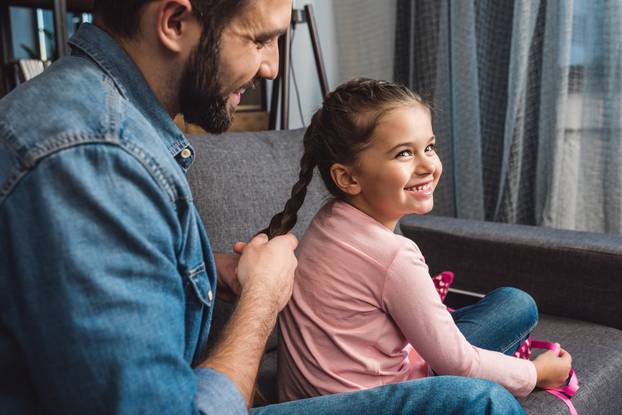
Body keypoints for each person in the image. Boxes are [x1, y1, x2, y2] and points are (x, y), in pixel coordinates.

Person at [0, 0, 526, 413]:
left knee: (508, 309)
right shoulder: (93, 155)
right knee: (480, 400)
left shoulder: (108, 125)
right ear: (175, 21)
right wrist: (263, 297)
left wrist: (207, 273)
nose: (273, 68)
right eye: (261, 39)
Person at [263, 78, 573, 403]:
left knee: (514, 302)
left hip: (311, 400)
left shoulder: (326, 220)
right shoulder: (394, 255)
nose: (427, 165)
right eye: (404, 154)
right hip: (383, 401)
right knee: (516, 306)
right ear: (349, 178)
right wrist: (536, 373)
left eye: (429, 147)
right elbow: (458, 364)